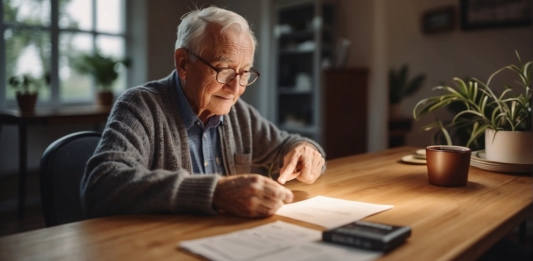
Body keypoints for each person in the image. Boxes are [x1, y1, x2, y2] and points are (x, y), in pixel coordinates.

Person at [80, 6, 325, 218]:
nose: (236, 88)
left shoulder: (238, 114)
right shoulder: (140, 106)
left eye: (245, 73)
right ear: (184, 63)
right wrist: (216, 192)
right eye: (224, 70)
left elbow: (287, 145)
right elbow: (101, 186)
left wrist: (306, 151)